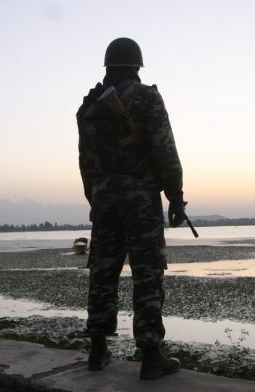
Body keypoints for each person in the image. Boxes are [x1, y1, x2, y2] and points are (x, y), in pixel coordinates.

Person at [77, 37, 187, 380]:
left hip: (104, 196)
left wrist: (96, 197)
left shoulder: (90, 105)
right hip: (139, 197)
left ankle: (97, 349)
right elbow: (164, 149)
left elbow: (86, 161)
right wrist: (175, 195)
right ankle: (151, 354)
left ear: (108, 66)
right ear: (137, 66)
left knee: (103, 271)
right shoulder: (146, 97)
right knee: (147, 271)